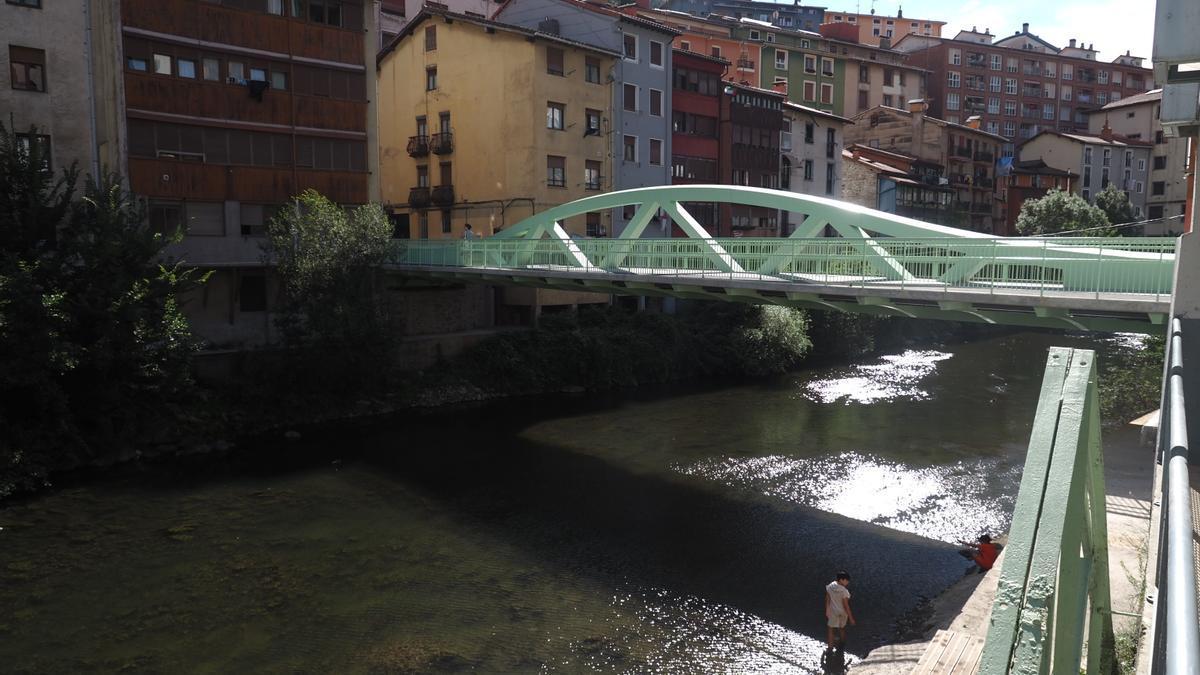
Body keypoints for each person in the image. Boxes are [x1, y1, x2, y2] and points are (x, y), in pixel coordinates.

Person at [825, 571, 855, 649]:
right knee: (842, 628)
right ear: (841, 580)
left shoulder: (830, 586)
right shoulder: (844, 591)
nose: (847, 582)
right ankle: (842, 643)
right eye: (846, 580)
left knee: (831, 629)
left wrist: (827, 609)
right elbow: (846, 606)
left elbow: (827, 598)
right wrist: (851, 618)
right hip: (843, 612)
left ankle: (830, 647)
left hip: (833, 611)